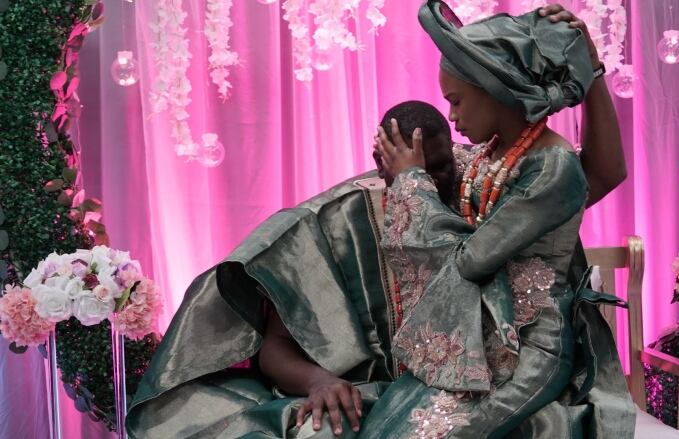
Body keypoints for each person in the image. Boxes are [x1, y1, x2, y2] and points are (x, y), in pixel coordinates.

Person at [125, 4, 629, 438]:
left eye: (455, 102)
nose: (453, 122)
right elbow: (277, 344)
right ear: (380, 161)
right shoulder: (365, 208)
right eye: (414, 171)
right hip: (461, 362)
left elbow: (476, 253)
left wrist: (588, 67)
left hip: (521, 357)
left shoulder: (523, 168)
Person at [362, 1, 634, 437]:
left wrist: (412, 180)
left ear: (494, 87)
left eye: (456, 101)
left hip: (530, 352)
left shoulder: (551, 166)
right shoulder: (488, 158)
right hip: (479, 343)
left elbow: (470, 261)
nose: (451, 117)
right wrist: (399, 170)